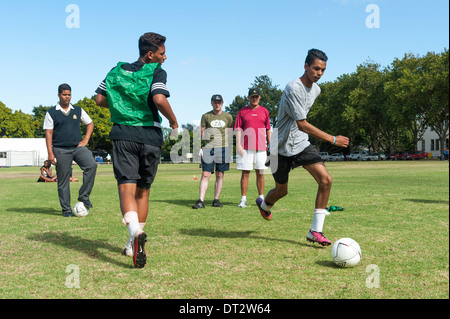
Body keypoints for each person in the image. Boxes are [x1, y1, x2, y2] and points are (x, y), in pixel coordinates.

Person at [95, 32, 178, 268]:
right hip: (150, 136)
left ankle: (133, 233)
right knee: (143, 191)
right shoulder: (156, 71)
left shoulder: (117, 70)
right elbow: (159, 99)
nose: (165, 57)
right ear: (150, 54)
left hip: (123, 135)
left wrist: (123, 98)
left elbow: (99, 99)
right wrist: (173, 122)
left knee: (126, 189)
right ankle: (134, 241)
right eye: (162, 53)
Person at [256, 49, 349, 246]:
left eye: (323, 70)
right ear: (306, 66)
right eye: (316, 68)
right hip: (278, 149)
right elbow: (302, 123)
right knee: (281, 191)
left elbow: (301, 128)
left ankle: (315, 231)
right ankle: (264, 205)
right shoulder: (292, 88)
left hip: (301, 144)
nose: (319, 73)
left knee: (326, 180)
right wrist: (333, 139)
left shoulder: (316, 90)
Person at [43, 83, 97, 217]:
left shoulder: (78, 110)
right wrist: (50, 153)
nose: (67, 97)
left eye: (69, 95)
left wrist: (86, 140)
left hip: (78, 148)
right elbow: (49, 133)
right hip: (60, 149)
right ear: (59, 95)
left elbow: (90, 123)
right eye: (64, 94)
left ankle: (84, 196)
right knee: (63, 180)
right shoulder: (51, 112)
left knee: (91, 165)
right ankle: (66, 210)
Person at [192, 94, 233, 209]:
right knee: (205, 174)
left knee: (220, 175)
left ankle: (216, 200)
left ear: (222, 103)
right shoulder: (206, 116)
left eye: (219, 102)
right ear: (211, 103)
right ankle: (201, 200)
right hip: (209, 148)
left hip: (223, 148)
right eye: (215, 102)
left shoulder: (228, 117)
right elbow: (202, 132)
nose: (217, 104)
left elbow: (229, 132)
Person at [234, 88, 271, 208]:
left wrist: (270, 144)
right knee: (245, 173)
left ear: (259, 97)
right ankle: (243, 199)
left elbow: (268, 129)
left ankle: (261, 198)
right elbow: (238, 129)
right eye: (252, 97)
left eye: (256, 97)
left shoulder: (265, 111)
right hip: (245, 147)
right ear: (248, 97)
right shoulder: (242, 111)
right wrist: (238, 144)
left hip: (261, 147)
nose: (254, 99)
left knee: (260, 172)